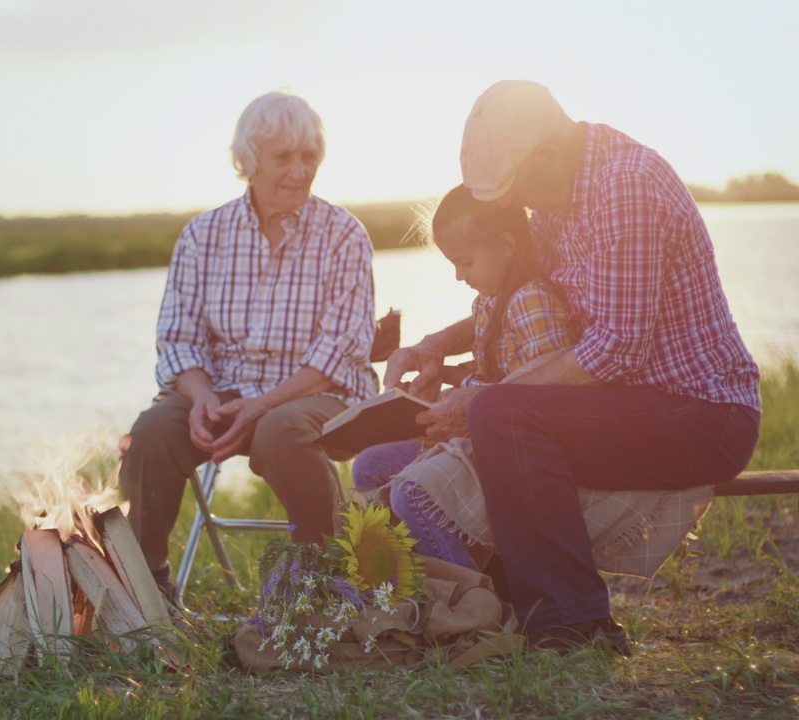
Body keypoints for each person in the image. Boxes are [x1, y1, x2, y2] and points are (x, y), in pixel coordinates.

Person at [385, 80, 761, 655]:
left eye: (511, 188)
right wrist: (438, 343)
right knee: (494, 411)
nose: (507, 207)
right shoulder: (556, 196)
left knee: (499, 413)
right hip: (635, 402)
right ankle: (512, 602)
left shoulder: (626, 186)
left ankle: (576, 623)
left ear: (551, 156)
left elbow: (614, 349)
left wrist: (480, 398)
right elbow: (515, 293)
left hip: (704, 413)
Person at [120, 91, 380, 597]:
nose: (299, 171)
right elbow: (178, 340)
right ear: (248, 162)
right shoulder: (203, 235)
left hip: (317, 396)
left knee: (280, 430)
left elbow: (338, 351)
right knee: (152, 432)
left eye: (309, 157)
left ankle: (324, 586)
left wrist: (261, 405)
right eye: (283, 157)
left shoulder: (345, 235)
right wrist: (202, 401)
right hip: (222, 394)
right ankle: (143, 591)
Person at [353, 183, 576, 570]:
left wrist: (466, 406)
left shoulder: (531, 302)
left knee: (412, 495)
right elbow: (497, 371)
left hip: (504, 448)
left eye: (466, 262)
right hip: (473, 437)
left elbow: (544, 392)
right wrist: (438, 383)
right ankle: (415, 579)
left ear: (506, 246)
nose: (459, 275)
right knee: (368, 465)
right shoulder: (490, 299)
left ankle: (471, 601)